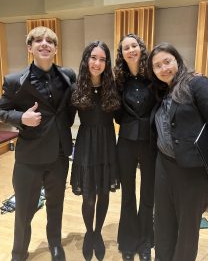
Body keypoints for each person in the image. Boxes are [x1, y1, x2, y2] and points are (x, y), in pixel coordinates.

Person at [0, 26, 76, 261]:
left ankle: (55, 245)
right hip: (29, 159)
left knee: (56, 206)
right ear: (30, 47)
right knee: (24, 210)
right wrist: (20, 118)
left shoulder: (68, 76)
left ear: (55, 48)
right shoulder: (14, 81)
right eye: (38, 40)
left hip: (59, 156)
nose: (45, 43)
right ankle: (18, 253)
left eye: (50, 41)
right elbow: (1, 110)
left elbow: (70, 110)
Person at [148, 42, 208, 261]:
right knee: (162, 222)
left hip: (192, 170)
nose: (163, 68)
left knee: (187, 230)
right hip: (164, 166)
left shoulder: (196, 83)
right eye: (157, 65)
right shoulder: (162, 90)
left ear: (177, 60)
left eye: (167, 61)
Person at [70, 41, 120, 261]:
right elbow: (63, 119)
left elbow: (123, 116)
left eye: (102, 59)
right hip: (86, 144)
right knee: (88, 196)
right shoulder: (77, 86)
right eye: (93, 57)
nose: (97, 63)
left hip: (108, 143)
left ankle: (98, 232)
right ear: (86, 59)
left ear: (106, 63)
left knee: (104, 193)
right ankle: (89, 233)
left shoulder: (113, 86)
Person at [114, 34, 156, 261]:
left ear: (141, 49)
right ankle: (128, 242)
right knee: (128, 195)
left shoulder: (153, 77)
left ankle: (146, 243)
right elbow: (117, 115)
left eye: (134, 46)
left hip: (150, 143)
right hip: (126, 143)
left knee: (148, 194)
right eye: (126, 48)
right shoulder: (119, 80)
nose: (130, 50)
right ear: (122, 54)